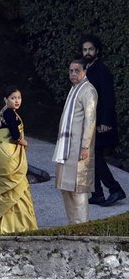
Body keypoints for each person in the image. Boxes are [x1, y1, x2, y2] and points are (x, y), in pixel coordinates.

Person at [0, 86, 38, 235]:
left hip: (1, 156)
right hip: (8, 157)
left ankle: (3, 227)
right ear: (5, 100)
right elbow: (16, 135)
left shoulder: (2, 114)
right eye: (13, 98)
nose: (17, 101)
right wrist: (24, 142)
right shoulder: (9, 113)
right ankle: (18, 227)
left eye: (19, 98)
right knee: (17, 190)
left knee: (6, 193)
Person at [79, 34, 126, 207]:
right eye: (85, 49)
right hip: (89, 122)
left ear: (97, 50)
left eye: (91, 49)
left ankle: (115, 190)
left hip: (101, 122)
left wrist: (106, 122)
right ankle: (97, 193)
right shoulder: (85, 68)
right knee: (90, 158)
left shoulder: (102, 70)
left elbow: (108, 97)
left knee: (94, 157)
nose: (87, 52)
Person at [52, 59, 97, 224]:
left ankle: (82, 227)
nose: (73, 74)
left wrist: (85, 146)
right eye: (71, 70)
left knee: (78, 190)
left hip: (79, 148)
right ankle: (72, 225)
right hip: (65, 147)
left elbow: (90, 120)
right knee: (65, 187)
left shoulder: (88, 91)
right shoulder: (74, 89)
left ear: (84, 71)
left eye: (76, 70)